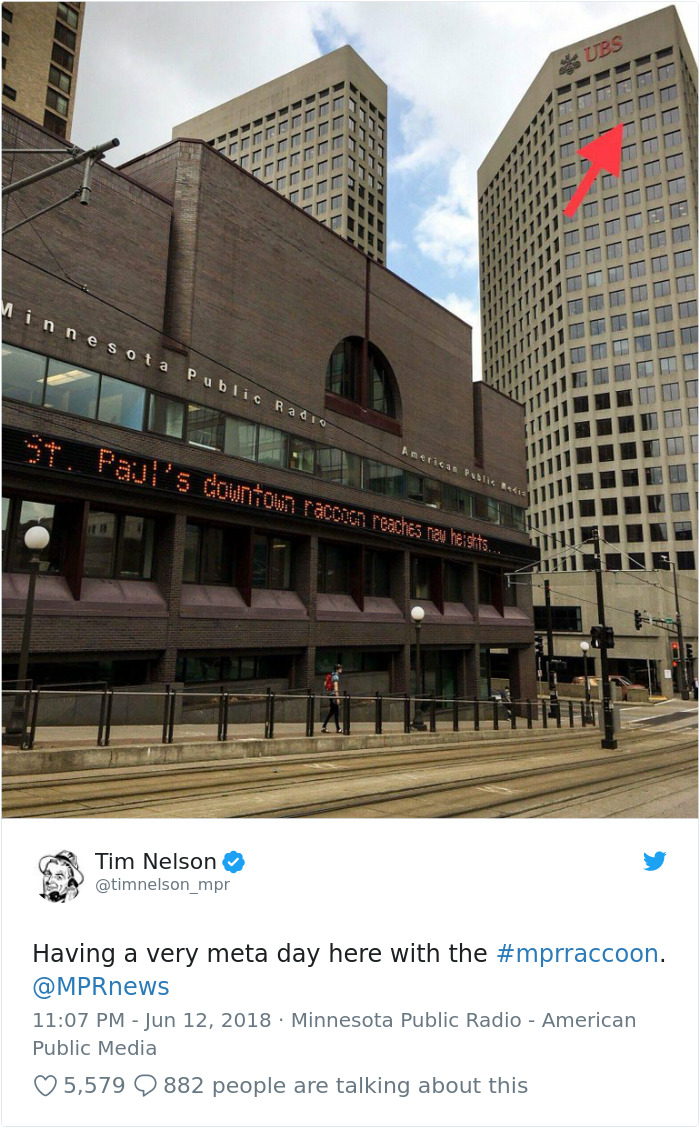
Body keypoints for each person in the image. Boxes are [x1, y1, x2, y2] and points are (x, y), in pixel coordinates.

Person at [321, 664, 343, 733]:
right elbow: (336, 688)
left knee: (332, 712)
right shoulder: (336, 676)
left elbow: (325, 683)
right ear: (337, 670)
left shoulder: (331, 675)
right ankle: (338, 729)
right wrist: (337, 698)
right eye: (340, 668)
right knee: (335, 712)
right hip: (334, 696)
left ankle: (324, 727)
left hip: (330, 696)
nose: (341, 669)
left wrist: (328, 692)